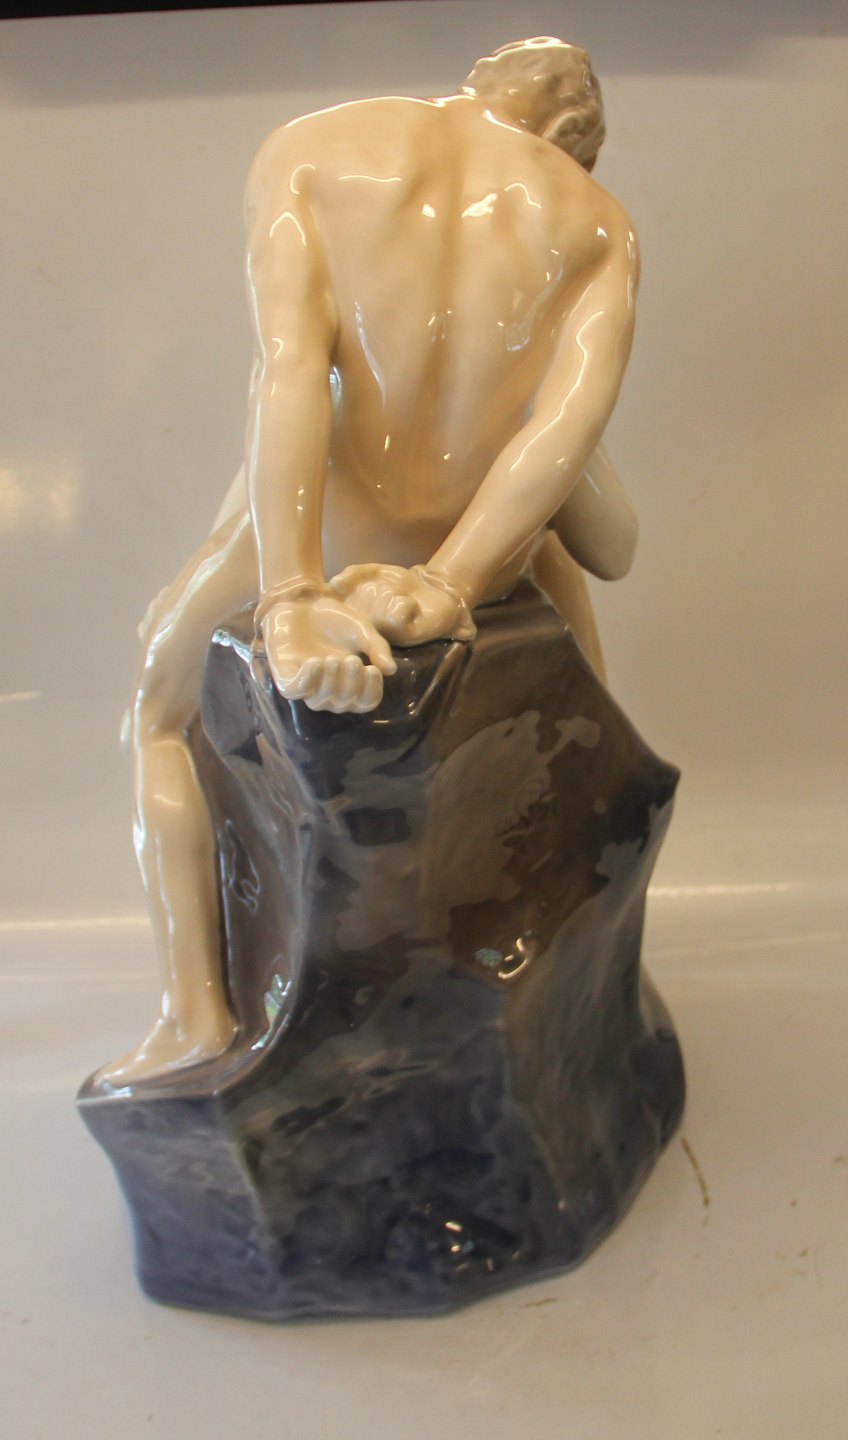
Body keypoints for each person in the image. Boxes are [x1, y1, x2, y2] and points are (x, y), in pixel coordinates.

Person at [103, 38, 640, 1083]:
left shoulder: (312, 148)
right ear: (574, 136)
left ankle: (194, 1015)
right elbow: (563, 447)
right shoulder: (596, 222)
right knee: (582, 672)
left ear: (481, 83)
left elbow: (292, 373)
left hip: (325, 526)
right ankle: (568, 989)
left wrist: (290, 589)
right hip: (477, 555)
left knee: (156, 719)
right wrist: (448, 583)